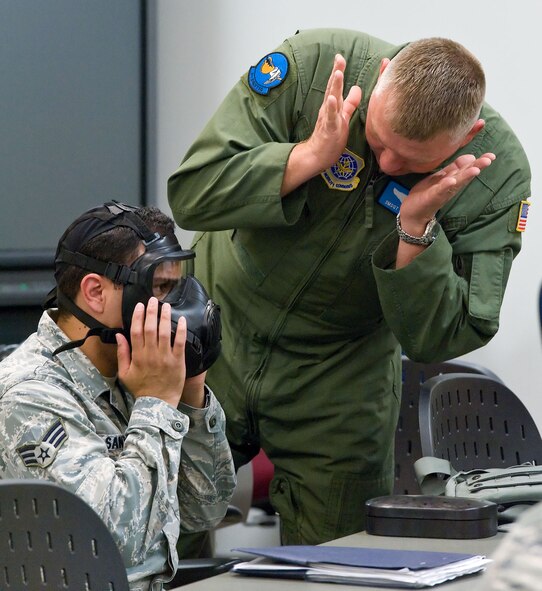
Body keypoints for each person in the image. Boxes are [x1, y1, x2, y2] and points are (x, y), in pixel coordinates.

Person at [167, 29, 531, 545]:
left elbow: (441, 338)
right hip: (217, 329)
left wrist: (416, 232)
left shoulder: (495, 179)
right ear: (381, 75)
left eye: (411, 162)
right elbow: (192, 192)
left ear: (466, 139)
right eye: (379, 143)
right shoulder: (313, 70)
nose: (387, 165)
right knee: (161, 532)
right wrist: (308, 158)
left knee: (339, 557)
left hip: (340, 371)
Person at [0, 201, 236, 591]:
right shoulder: (29, 398)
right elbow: (114, 544)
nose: (176, 307)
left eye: (178, 286)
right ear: (95, 291)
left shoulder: (135, 368)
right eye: (160, 288)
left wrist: (190, 391)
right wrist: (156, 403)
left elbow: (204, 509)